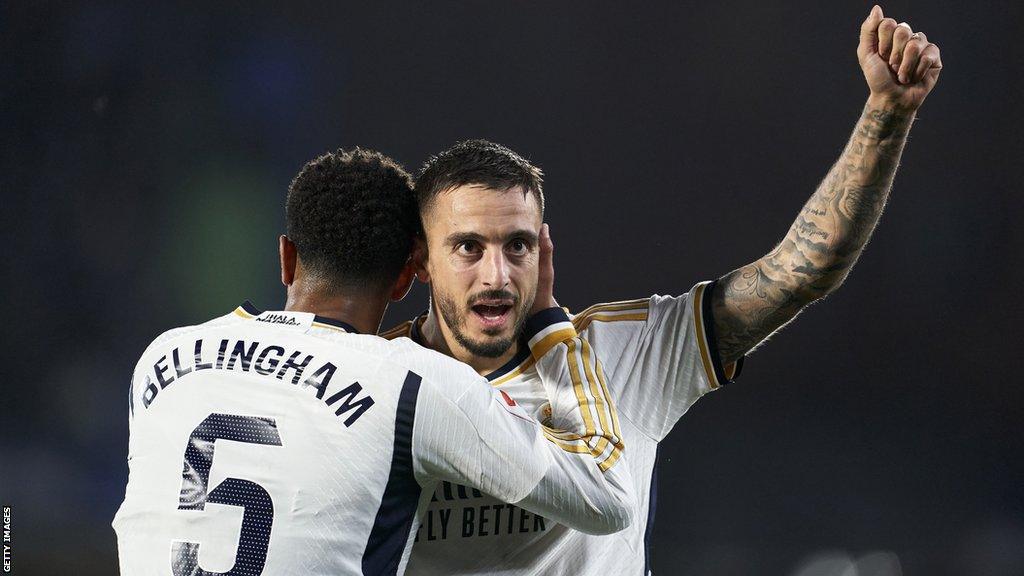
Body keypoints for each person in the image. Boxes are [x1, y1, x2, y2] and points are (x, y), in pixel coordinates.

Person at [382, 6, 942, 574]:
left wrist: (887, 113)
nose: (497, 275)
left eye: (518, 245)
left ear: (543, 249)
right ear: (421, 261)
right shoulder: (372, 381)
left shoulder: (626, 353)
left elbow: (805, 268)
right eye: (468, 248)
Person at [112, 148, 635, 576]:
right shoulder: (412, 383)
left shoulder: (165, 356)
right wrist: (548, 324)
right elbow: (605, 498)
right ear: (410, 274)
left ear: (286, 257)